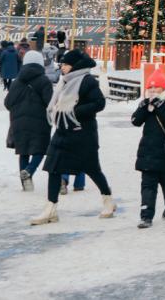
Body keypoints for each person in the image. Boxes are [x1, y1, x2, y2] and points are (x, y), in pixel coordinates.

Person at [31, 50, 115, 225]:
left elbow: (99, 103)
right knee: (53, 168)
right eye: (62, 64)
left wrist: (74, 111)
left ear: (75, 66)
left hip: (82, 133)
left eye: (65, 64)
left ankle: (108, 199)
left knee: (92, 169)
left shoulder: (87, 81)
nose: (62, 68)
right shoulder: (64, 81)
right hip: (62, 130)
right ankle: (50, 209)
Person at [131, 72, 165, 228]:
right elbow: (135, 121)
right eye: (150, 88)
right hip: (148, 151)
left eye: (156, 88)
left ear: (163, 88)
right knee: (148, 185)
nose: (152, 91)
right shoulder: (146, 103)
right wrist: (144, 108)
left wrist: (159, 106)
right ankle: (146, 216)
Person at [5, 51, 52, 191]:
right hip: (40, 122)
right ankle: (30, 170)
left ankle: (26, 183)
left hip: (18, 122)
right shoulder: (44, 81)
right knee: (40, 149)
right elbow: (49, 102)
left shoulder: (16, 82)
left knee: (23, 151)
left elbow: (8, 103)